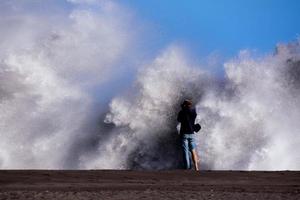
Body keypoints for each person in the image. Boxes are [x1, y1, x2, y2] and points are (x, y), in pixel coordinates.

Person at [177, 99, 199, 171]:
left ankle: (187, 167)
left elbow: (179, 120)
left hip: (184, 134)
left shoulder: (182, 112)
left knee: (185, 151)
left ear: (184, 105)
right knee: (193, 150)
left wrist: (182, 108)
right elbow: (193, 116)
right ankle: (196, 167)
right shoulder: (193, 112)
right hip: (192, 133)